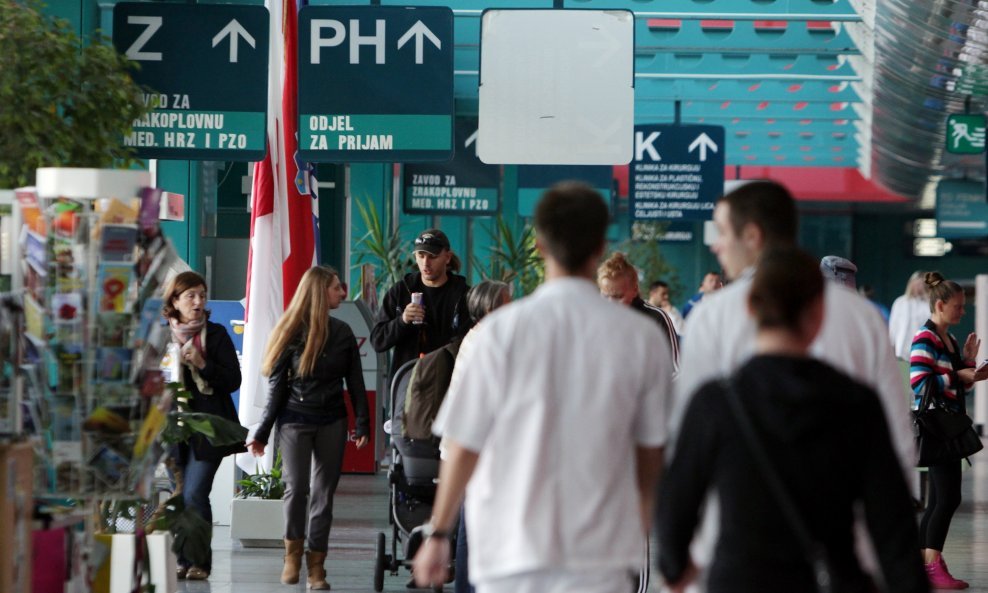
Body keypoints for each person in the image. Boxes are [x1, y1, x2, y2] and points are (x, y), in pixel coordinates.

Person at [413, 182, 672, 593]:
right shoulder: (641, 340)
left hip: (509, 551)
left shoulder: (499, 333)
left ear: (538, 244)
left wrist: (440, 534)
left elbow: (463, 444)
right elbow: (650, 456)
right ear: (600, 246)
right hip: (599, 556)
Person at [674, 181, 916, 583]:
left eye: (722, 232)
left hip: (733, 556)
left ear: (752, 235)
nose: (716, 246)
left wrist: (683, 561)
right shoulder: (863, 317)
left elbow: (688, 449)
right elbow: (897, 442)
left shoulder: (711, 318)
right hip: (839, 556)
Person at [246, 266, 370, 590]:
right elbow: (277, 390)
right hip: (295, 420)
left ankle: (317, 568)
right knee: (296, 488)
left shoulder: (342, 333)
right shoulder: (291, 332)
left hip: (332, 419)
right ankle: (292, 555)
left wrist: (363, 424)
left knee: (323, 495)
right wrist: (261, 433)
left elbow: (355, 383)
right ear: (319, 292)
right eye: (335, 288)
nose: (342, 293)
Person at [163, 271, 245, 581]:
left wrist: (201, 363)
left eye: (202, 295)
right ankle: (182, 561)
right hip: (171, 429)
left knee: (196, 491)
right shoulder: (161, 337)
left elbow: (232, 381)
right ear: (175, 301)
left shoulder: (218, 334)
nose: (198, 302)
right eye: (190, 296)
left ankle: (199, 562)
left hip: (208, 428)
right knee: (180, 494)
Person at [910, 271, 988, 589]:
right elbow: (920, 383)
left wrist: (966, 365)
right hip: (935, 428)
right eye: (958, 306)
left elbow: (954, 389)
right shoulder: (924, 339)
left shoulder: (950, 340)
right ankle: (931, 565)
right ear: (940, 305)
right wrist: (960, 376)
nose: (962, 311)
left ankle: (921, 563)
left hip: (948, 426)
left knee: (940, 499)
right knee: (948, 498)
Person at [370, 229, 473, 382]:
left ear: (447, 257)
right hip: (407, 381)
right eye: (421, 256)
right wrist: (402, 321)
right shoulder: (401, 291)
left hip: (448, 382)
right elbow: (378, 340)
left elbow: (471, 344)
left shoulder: (463, 295)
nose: (426, 263)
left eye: (432, 257)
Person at [598, 252, 680, 373]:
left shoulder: (656, 318)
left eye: (618, 297)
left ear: (635, 290)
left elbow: (675, 370)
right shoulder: (594, 317)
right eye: (605, 296)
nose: (611, 304)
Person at [890, 271, 930, 360]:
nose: (919, 287)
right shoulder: (900, 302)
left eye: (922, 284)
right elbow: (893, 327)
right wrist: (891, 346)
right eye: (917, 283)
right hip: (901, 349)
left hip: (921, 348)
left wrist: (927, 296)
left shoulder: (928, 304)